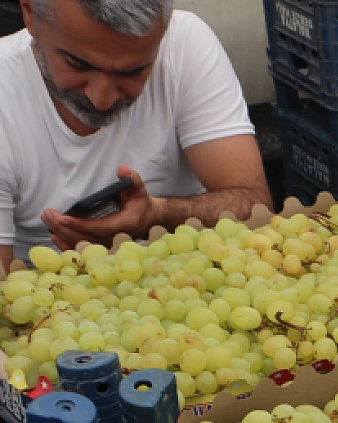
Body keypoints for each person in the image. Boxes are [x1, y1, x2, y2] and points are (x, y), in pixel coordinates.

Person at [0, 0, 270, 271]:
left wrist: (158, 214)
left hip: (185, 281)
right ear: (30, 14)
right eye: (78, 65)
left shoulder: (185, 44)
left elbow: (253, 203)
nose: (102, 100)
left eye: (133, 72)